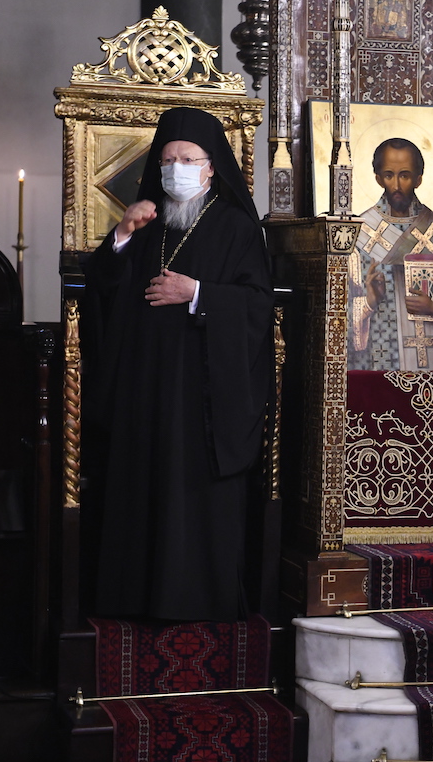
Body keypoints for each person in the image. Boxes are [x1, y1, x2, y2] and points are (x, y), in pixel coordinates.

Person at [82, 107, 273, 622]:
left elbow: (258, 304)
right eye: (168, 160)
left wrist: (199, 294)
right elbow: (101, 292)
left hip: (202, 393)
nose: (176, 170)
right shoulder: (144, 223)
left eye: (188, 160)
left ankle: (195, 601)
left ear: (211, 167)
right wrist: (122, 235)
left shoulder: (236, 226)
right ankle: (133, 597)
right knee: (141, 488)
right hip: (144, 385)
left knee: (190, 497)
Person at [348, 137, 433, 370]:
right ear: (378, 178)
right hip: (378, 376)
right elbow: (332, 328)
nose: (396, 185)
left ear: (418, 179)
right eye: (389, 175)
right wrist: (369, 303)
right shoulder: (357, 239)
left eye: (404, 175)